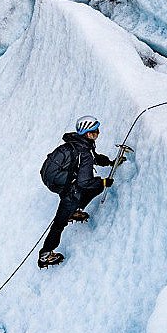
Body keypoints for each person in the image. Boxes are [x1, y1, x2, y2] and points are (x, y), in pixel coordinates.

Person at [37, 115, 115, 269]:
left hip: (60, 181)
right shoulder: (84, 152)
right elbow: (84, 182)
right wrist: (103, 182)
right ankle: (45, 255)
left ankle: (73, 211)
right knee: (59, 223)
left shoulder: (77, 144)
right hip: (68, 188)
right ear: (88, 134)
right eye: (96, 131)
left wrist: (109, 162)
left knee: (93, 187)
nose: (98, 133)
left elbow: (93, 158)